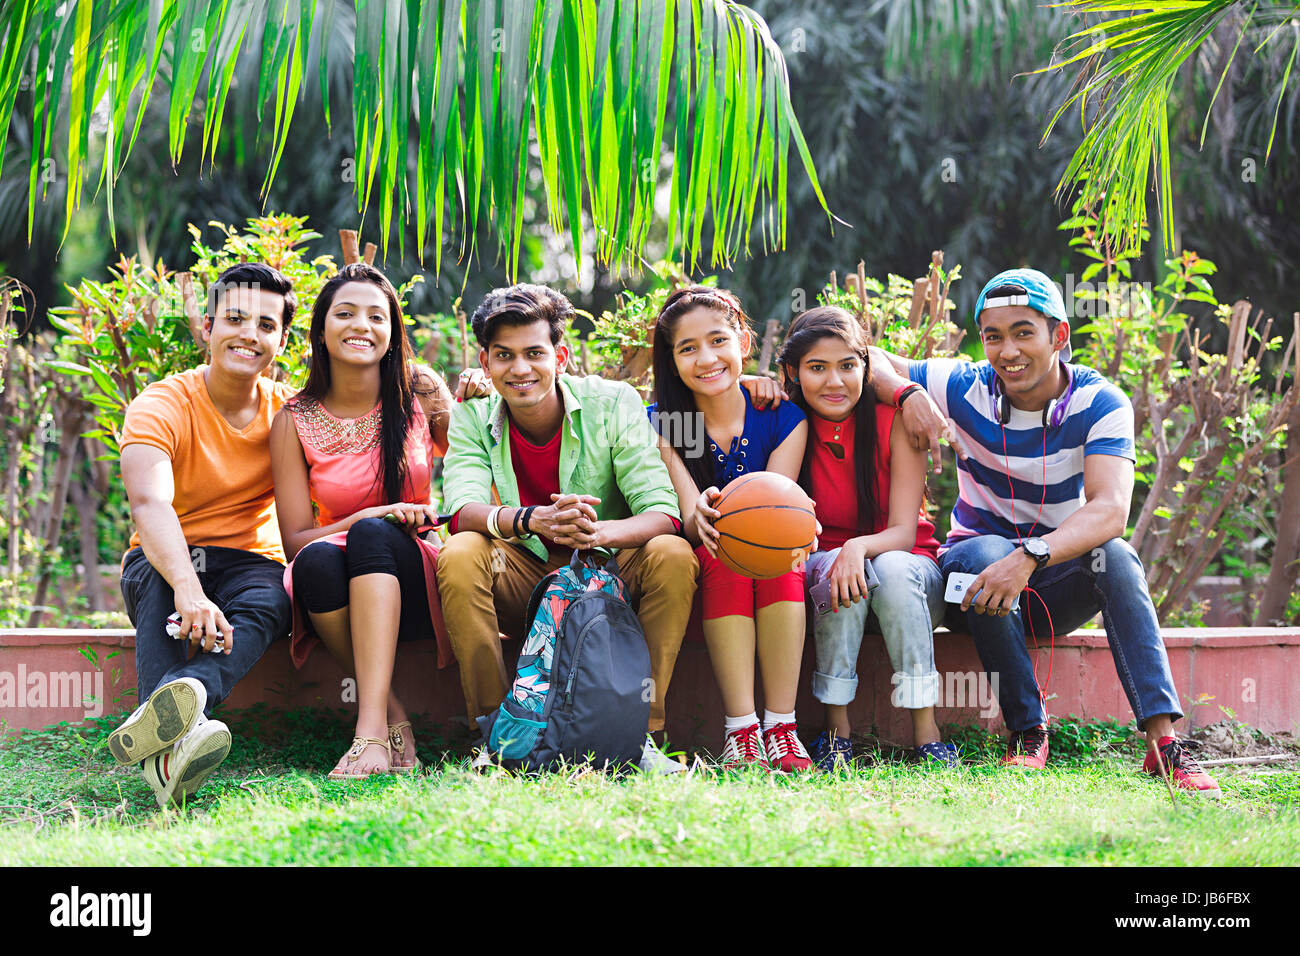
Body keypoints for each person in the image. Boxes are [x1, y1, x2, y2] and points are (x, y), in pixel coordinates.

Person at [867, 268, 1221, 794]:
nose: (1007, 350)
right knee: (983, 551)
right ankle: (1028, 732)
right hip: (973, 581)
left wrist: (1029, 556)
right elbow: (864, 353)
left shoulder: (1100, 402)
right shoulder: (963, 385)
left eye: (1023, 332)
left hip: (1048, 581)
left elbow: (1109, 511)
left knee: (1116, 557)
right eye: (993, 335)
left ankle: (1164, 742)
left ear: (1059, 336)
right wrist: (909, 393)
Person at [435, 283, 698, 774]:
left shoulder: (613, 402)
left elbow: (664, 512)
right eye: (504, 356)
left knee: (674, 554)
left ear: (561, 355)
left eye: (534, 353)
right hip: (524, 569)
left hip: (608, 572)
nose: (520, 369)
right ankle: (494, 738)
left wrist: (600, 534)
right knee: (461, 551)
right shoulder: (471, 417)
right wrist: (530, 519)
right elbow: (461, 509)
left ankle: (639, 736)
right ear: (485, 361)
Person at [271, 262, 472, 779]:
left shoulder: (419, 391)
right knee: (317, 561)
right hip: (337, 581)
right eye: (346, 313)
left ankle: (366, 736)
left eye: (376, 317)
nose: (362, 325)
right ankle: (391, 718)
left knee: (371, 536)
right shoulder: (293, 421)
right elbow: (294, 541)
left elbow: (479, 463)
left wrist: (480, 404)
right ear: (321, 329)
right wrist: (369, 515)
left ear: (391, 332)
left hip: (418, 573)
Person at [111, 263, 297, 807]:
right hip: (166, 554)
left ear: (281, 340)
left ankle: (181, 709)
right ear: (208, 327)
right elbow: (151, 503)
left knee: (272, 599)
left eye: (266, 325)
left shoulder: (287, 412)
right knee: (163, 598)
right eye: (236, 319)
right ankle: (177, 737)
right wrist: (189, 589)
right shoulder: (161, 403)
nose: (250, 334)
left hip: (249, 559)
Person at [777, 307, 957, 770]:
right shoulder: (788, 424)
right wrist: (845, 554)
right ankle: (837, 732)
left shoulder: (894, 420)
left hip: (909, 574)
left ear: (865, 368)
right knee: (837, 565)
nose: (834, 381)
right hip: (828, 577)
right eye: (817, 368)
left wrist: (858, 547)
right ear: (794, 372)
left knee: (889, 569)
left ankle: (926, 732)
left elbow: (901, 531)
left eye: (847, 366)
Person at [650, 286, 815, 773]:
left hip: (765, 553)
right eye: (687, 348)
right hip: (706, 551)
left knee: (781, 557)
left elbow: (777, 506)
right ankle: (740, 730)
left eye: (718, 340)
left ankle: (782, 726)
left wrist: (795, 524)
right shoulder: (667, 421)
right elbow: (686, 510)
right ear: (672, 359)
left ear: (743, 341)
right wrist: (699, 508)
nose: (706, 358)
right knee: (726, 554)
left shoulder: (782, 417)